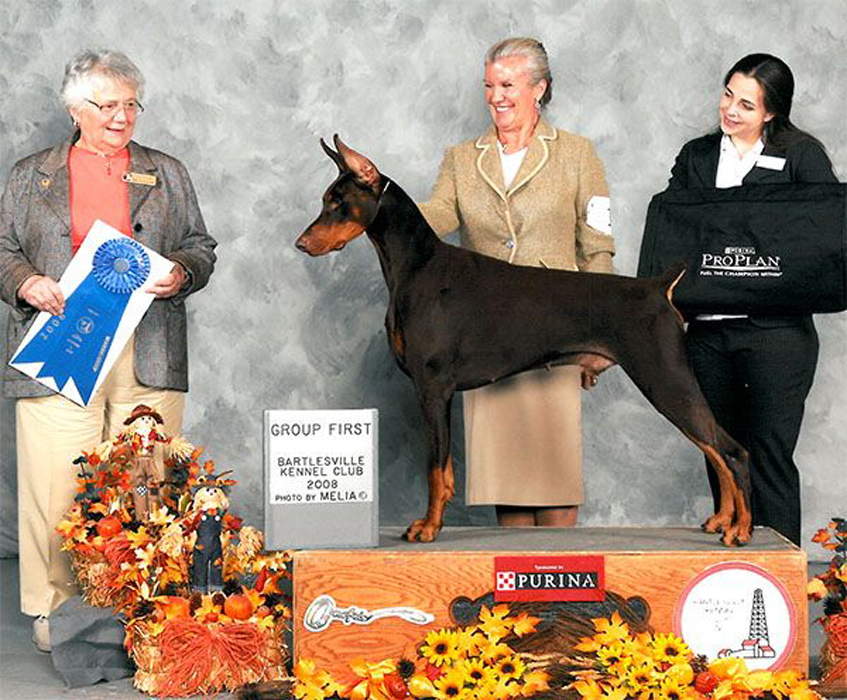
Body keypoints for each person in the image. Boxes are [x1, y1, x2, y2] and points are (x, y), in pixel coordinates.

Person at [0, 49, 217, 651]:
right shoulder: (31, 174)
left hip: (148, 347)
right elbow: (2, 249)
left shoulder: (166, 171)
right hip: (61, 341)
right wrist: (25, 281)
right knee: (57, 484)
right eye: (107, 105)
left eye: (131, 105)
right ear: (75, 109)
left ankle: (143, 606)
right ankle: (55, 610)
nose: (122, 117)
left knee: (146, 481)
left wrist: (182, 272)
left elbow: (200, 245)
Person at [419, 38, 615, 528]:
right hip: (484, 339)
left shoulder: (577, 154)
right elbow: (436, 217)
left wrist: (599, 330)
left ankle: (559, 578)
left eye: (507, 85)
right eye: (489, 85)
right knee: (507, 488)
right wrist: (381, 206)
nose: (495, 96)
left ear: (539, 88)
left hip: (557, 331)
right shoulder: (462, 158)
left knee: (556, 484)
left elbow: (597, 244)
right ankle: (517, 582)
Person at [663, 53, 837, 545]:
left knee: (770, 455)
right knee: (720, 454)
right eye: (727, 95)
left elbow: (825, 237)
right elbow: (676, 228)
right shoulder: (696, 157)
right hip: (708, 334)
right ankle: (733, 567)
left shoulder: (802, 155)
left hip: (777, 336)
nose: (730, 110)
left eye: (746, 104)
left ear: (771, 112)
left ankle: (778, 571)